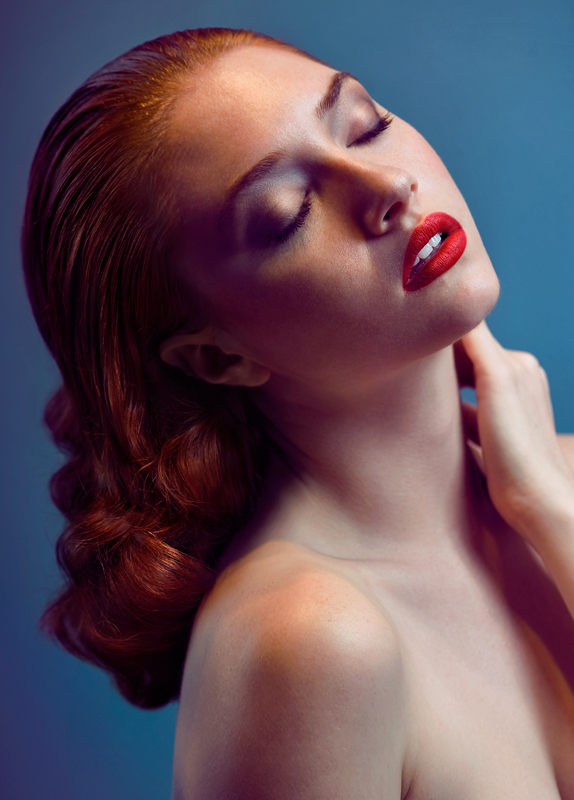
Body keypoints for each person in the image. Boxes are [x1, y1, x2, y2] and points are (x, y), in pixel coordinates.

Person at [22, 27, 574, 799]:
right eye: (289, 213)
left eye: (365, 126)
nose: (389, 187)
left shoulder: (560, 484)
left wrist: (552, 512)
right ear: (218, 357)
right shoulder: (307, 643)